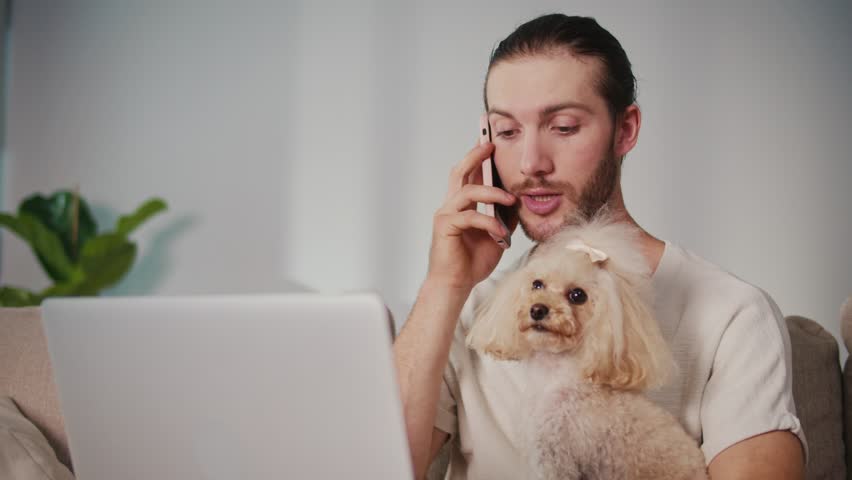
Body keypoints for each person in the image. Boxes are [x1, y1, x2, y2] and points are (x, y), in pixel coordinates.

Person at [393, 13, 807, 480]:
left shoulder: (735, 315)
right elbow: (374, 467)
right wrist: (445, 284)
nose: (531, 163)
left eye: (564, 127)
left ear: (625, 130)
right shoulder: (470, 308)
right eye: (507, 132)